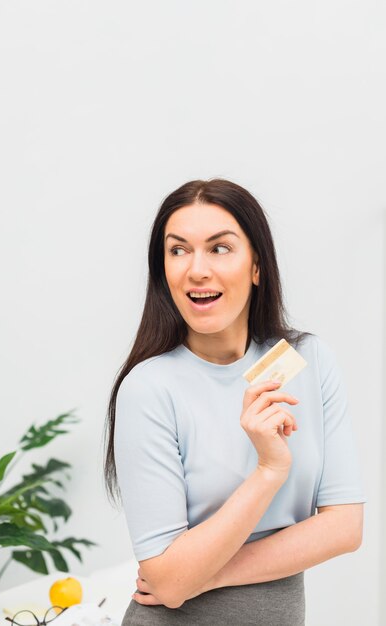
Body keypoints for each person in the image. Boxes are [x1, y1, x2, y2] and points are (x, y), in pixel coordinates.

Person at [103, 178, 366, 626]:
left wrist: (203, 576)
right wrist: (268, 471)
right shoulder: (148, 389)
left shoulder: (308, 360)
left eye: (219, 248)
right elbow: (166, 581)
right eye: (178, 250)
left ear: (257, 266)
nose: (197, 270)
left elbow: (345, 527)